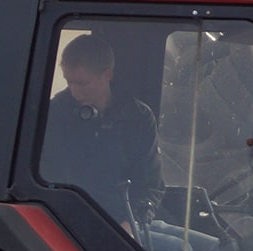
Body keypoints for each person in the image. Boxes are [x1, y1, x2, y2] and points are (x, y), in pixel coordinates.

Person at [41, 34, 165, 240]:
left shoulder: (139, 117)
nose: (75, 92)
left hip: (129, 221)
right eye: (69, 82)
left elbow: (150, 185)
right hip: (77, 226)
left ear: (107, 74)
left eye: (83, 83)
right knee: (180, 249)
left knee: (210, 248)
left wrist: (130, 223)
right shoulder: (54, 115)